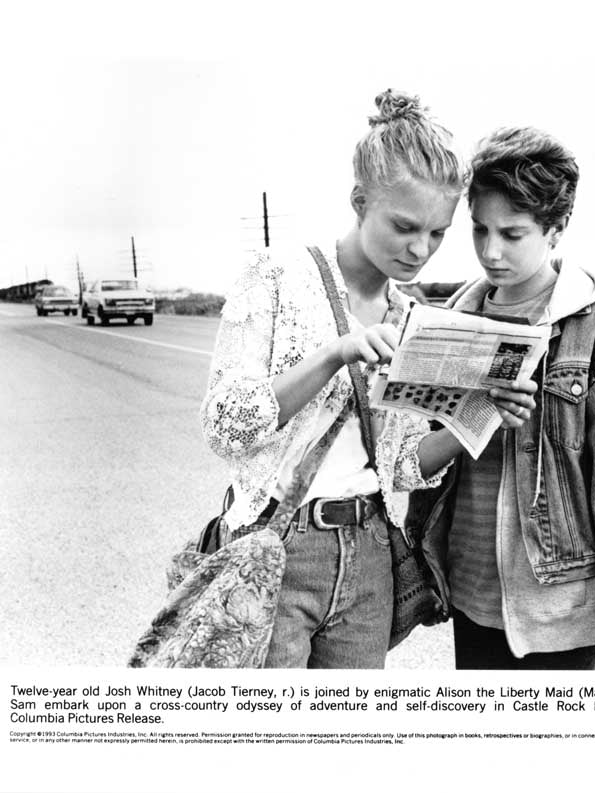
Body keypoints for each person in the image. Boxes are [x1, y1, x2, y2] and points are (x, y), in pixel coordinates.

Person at [199, 91, 537, 669]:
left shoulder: (412, 318)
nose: (419, 249)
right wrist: (335, 354)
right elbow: (225, 427)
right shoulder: (278, 276)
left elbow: (402, 463)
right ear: (359, 201)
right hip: (275, 547)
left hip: (371, 554)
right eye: (405, 226)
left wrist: (478, 421)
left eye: (437, 233)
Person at [410, 126, 595, 670]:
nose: (491, 251)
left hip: (557, 612)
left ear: (555, 229)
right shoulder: (453, 322)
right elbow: (424, 455)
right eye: (480, 230)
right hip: (469, 596)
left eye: (513, 234)